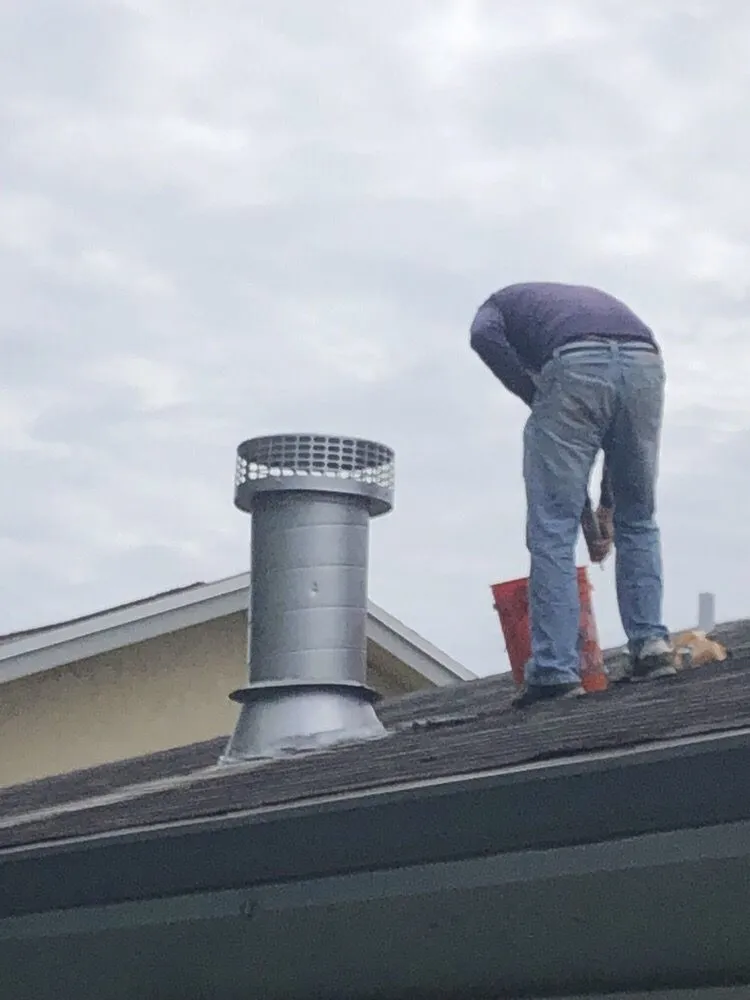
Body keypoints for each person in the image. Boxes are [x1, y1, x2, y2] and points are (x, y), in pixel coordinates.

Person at [470, 282, 675, 707]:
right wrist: (606, 511)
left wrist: (534, 392)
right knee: (639, 518)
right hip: (644, 363)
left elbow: (482, 335)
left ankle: (555, 671)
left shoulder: (497, 305)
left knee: (551, 532)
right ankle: (651, 647)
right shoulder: (584, 304)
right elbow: (604, 438)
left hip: (573, 363)